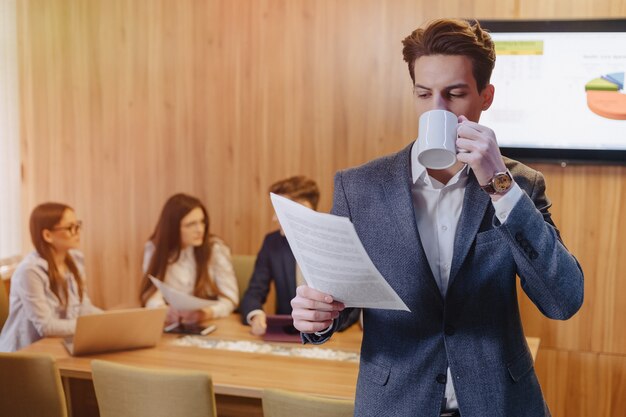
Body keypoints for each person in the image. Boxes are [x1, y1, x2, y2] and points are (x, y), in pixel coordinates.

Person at [290, 18, 584, 417]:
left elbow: (563, 300)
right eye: (424, 94)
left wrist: (500, 187)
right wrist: (317, 318)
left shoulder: (518, 185)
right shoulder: (360, 189)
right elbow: (341, 307)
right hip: (396, 406)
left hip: (499, 404)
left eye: (455, 94)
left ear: (486, 96)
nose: (437, 109)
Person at [0, 203, 101, 352]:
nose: (77, 232)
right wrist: (89, 325)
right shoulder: (30, 271)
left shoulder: (75, 259)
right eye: (70, 228)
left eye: (78, 225)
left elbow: (84, 307)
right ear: (47, 235)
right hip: (24, 355)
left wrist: (110, 321)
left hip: (57, 346)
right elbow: (46, 327)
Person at [139, 193, 238, 326]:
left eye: (202, 222)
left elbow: (230, 298)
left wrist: (207, 313)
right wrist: (164, 311)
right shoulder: (154, 248)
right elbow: (151, 295)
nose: (200, 229)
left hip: (210, 324)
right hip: (170, 324)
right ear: (173, 227)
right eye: (191, 224)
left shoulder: (215, 249)